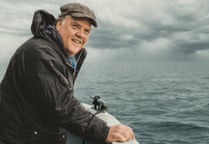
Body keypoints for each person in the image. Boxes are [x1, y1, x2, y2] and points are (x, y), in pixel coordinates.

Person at [0, 2, 135, 144]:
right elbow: (60, 105)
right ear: (59, 25)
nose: (80, 34)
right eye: (75, 26)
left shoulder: (65, 55)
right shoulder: (40, 53)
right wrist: (104, 131)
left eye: (86, 31)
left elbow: (57, 97)